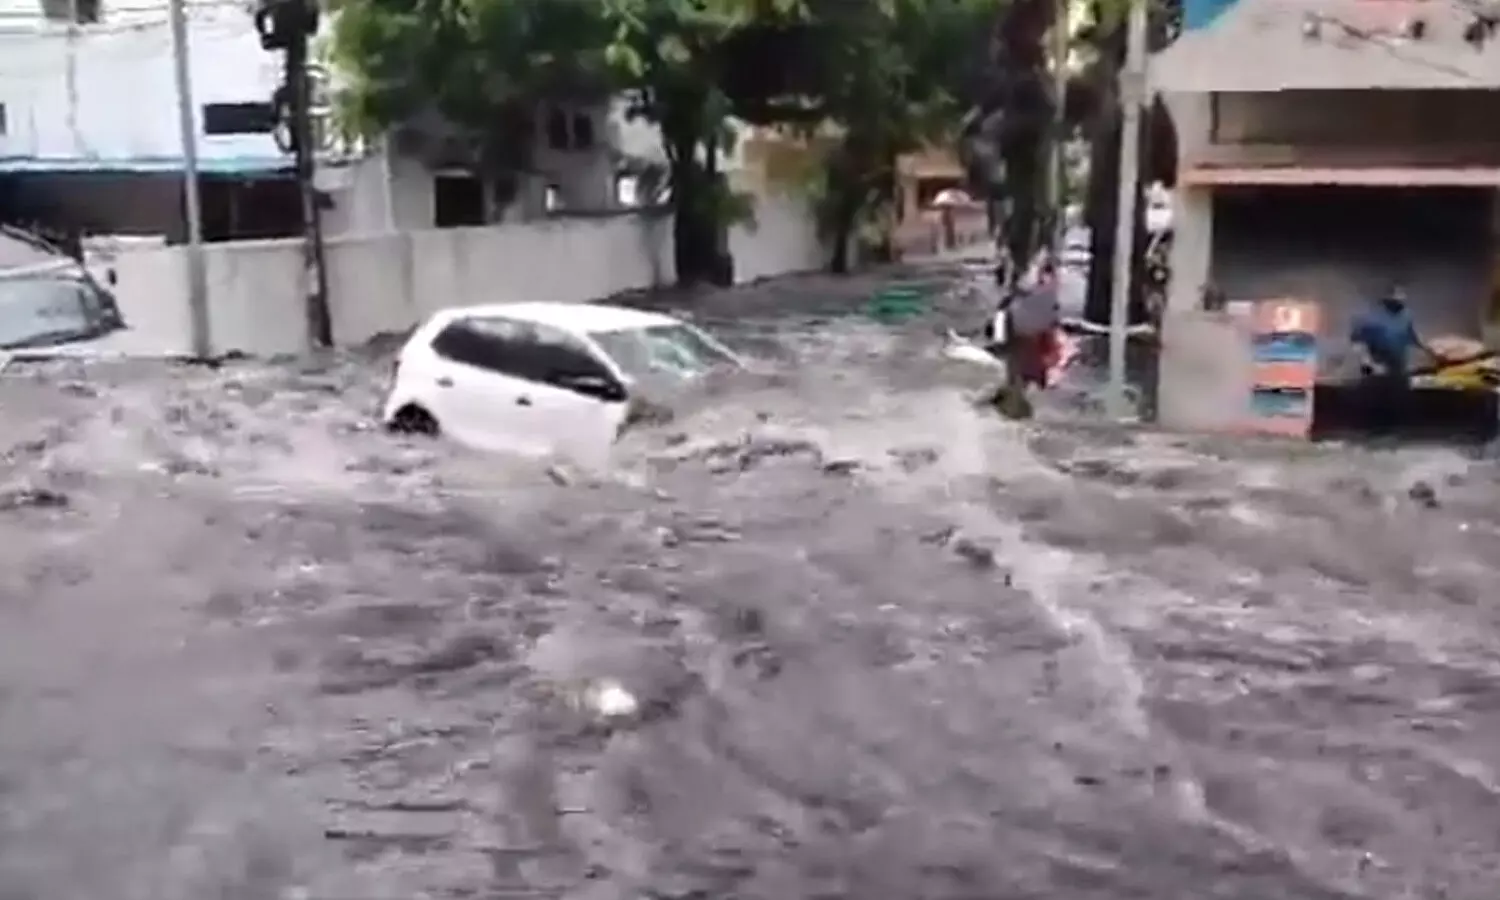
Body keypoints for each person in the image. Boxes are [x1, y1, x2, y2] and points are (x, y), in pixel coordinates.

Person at [1349, 286, 1436, 433]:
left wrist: (1429, 349)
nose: (1402, 302)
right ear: (1387, 300)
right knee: (1375, 395)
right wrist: (1367, 361)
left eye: (1403, 298)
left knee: (1398, 395)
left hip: (1398, 362)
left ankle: (1394, 427)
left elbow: (1412, 336)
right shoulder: (1371, 317)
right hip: (1377, 361)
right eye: (1398, 299)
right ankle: (1371, 428)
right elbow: (1358, 342)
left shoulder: (1406, 315)